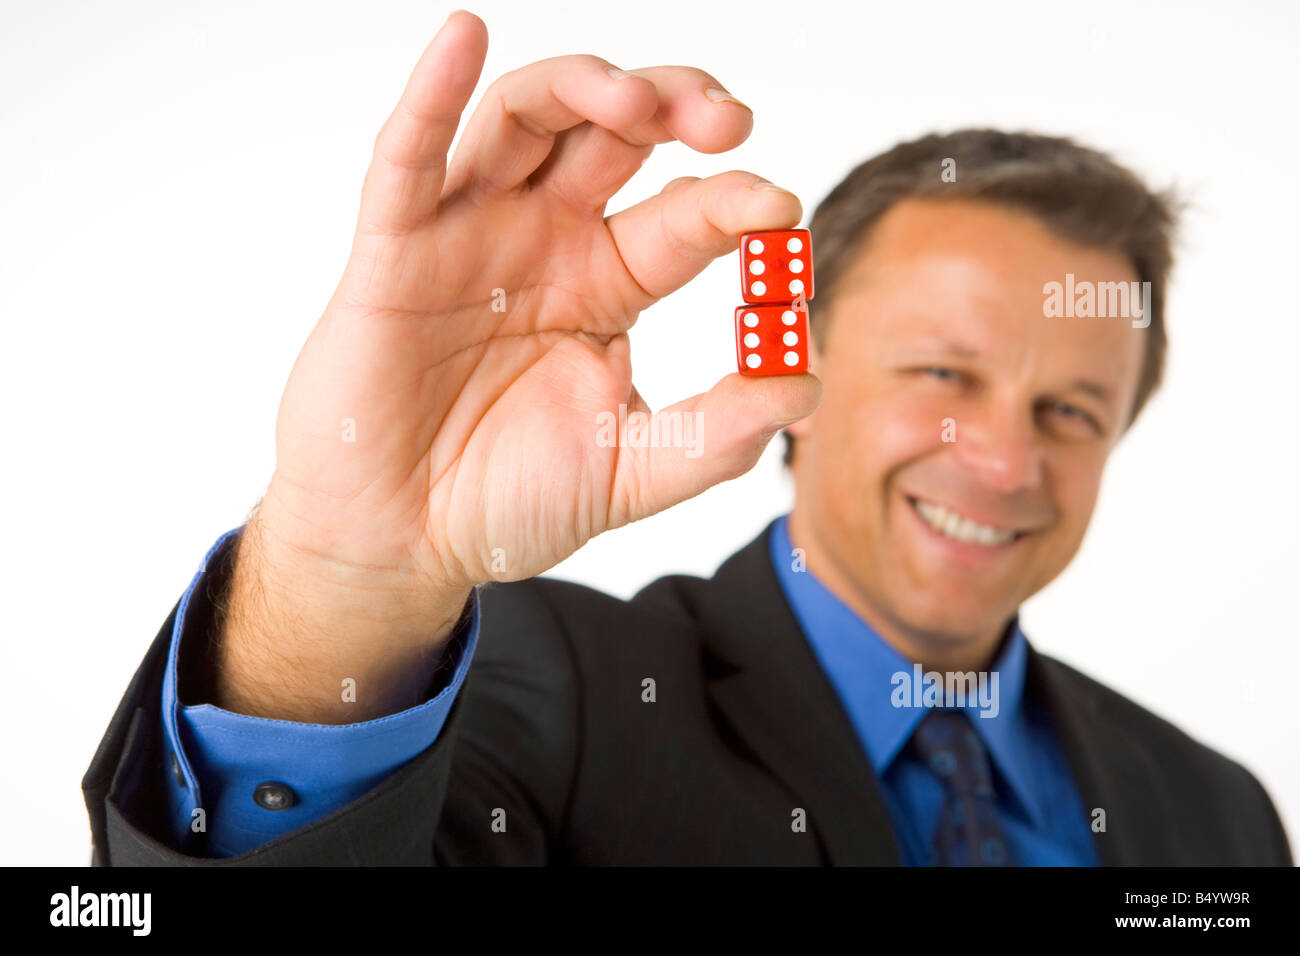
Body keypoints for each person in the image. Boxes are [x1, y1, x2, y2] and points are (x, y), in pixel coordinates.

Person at [83, 10, 1291, 866]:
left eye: (1068, 411)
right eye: (941, 372)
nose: (1000, 458)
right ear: (793, 359)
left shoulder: (1219, 811)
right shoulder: (548, 692)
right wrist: (348, 573)